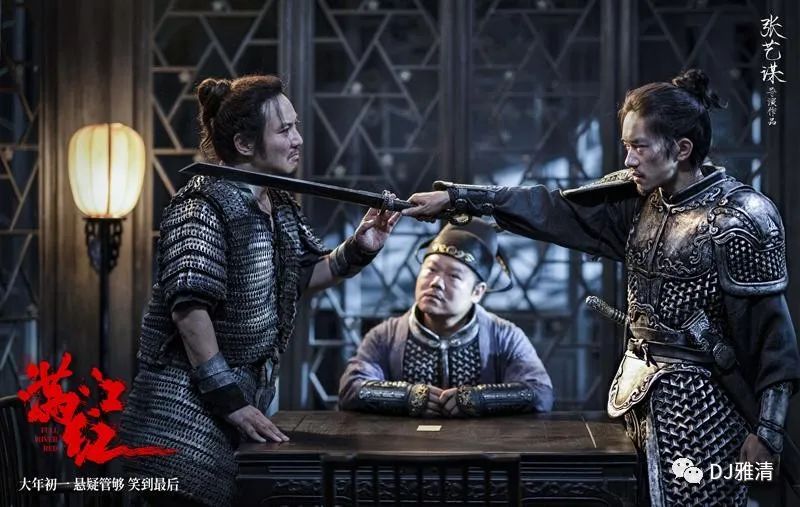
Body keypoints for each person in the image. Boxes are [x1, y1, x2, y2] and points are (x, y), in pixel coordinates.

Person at [401, 69, 800, 505]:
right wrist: (458, 198)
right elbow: (551, 209)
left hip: (704, 411)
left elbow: (774, 339)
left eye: (639, 147)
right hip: (633, 396)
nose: (628, 160)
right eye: (627, 146)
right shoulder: (636, 203)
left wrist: (769, 432)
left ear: (682, 149)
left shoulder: (742, 218)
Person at [119, 75, 400, 507]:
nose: (297, 139)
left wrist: (361, 247)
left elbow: (299, 277)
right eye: (284, 130)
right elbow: (190, 310)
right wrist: (230, 400)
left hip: (236, 409)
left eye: (295, 126)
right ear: (245, 143)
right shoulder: (201, 205)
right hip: (178, 418)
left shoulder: (276, 202)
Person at [339, 218, 553, 417]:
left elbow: (540, 392)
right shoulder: (385, 335)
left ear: (477, 292)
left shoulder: (505, 335)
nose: (436, 283)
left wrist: (479, 399)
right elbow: (351, 388)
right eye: (431, 269)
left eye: (453, 276)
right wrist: (406, 397)